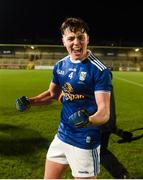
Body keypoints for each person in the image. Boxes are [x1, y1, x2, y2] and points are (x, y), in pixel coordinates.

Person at [16, 17, 112, 179]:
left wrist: (88, 120)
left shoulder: (99, 70)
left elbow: (104, 113)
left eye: (81, 37)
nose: (76, 42)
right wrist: (30, 101)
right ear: (64, 41)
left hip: (85, 141)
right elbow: (52, 94)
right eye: (71, 38)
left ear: (87, 39)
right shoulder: (60, 65)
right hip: (62, 136)